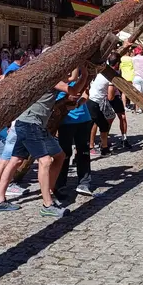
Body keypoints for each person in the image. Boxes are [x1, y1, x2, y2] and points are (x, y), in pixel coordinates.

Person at [0, 67, 88, 217]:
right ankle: (47, 204)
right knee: (46, 161)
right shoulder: (51, 78)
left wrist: (80, 69)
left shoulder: (52, 77)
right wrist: (85, 75)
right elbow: (73, 90)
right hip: (31, 124)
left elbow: (72, 78)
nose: (67, 73)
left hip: (30, 124)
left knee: (21, 160)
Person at [56, 70, 94, 198]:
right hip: (66, 121)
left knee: (83, 152)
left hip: (84, 119)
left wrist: (80, 101)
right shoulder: (57, 82)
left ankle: (84, 182)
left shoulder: (78, 81)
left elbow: (85, 93)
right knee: (64, 154)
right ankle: (60, 183)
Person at [88, 56, 118, 157]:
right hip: (95, 102)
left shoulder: (101, 70)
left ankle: (101, 147)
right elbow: (110, 97)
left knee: (100, 124)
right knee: (100, 125)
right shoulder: (110, 76)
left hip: (90, 100)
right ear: (117, 63)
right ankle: (98, 148)